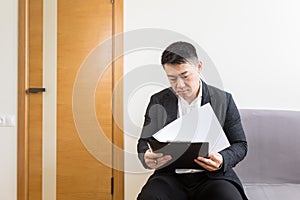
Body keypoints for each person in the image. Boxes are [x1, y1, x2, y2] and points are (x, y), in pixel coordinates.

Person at [137, 41, 248, 200]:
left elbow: (240, 144)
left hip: (212, 177)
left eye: (185, 76)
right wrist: (146, 156)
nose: (180, 85)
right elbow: (143, 142)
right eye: (172, 78)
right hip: (170, 176)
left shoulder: (223, 100)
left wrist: (222, 159)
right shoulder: (158, 101)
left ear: (199, 67)